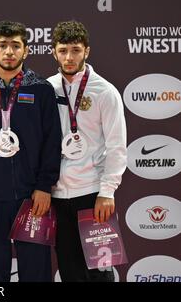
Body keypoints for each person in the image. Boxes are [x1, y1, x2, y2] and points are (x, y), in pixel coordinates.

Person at [0, 21, 62, 282]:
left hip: (31, 196)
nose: (9, 52)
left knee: (36, 272)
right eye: (3, 46)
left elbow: (52, 142)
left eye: (15, 46)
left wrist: (44, 186)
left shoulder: (41, 89)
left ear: (26, 51)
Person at [47, 20, 127, 282]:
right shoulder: (47, 89)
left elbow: (117, 145)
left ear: (87, 51)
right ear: (53, 52)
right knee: (70, 272)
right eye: (63, 50)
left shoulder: (105, 91)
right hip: (58, 195)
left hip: (93, 195)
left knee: (100, 273)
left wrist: (107, 192)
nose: (69, 57)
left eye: (76, 50)